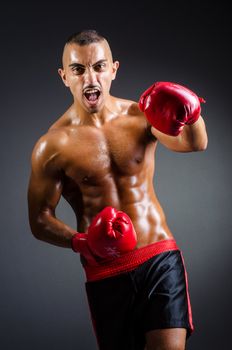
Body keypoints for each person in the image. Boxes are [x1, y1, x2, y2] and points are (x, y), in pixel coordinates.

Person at [27, 29, 208, 350]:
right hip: (106, 271)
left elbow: (194, 144)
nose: (90, 78)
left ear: (113, 69)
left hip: (158, 257)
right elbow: (39, 219)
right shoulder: (51, 145)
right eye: (78, 69)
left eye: (98, 66)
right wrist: (81, 242)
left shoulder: (141, 115)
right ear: (64, 76)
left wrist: (192, 112)